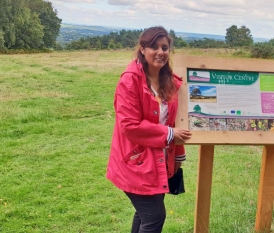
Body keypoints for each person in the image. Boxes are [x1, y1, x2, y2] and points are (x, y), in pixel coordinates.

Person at [106, 26, 192, 233]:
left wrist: (178, 156)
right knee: (154, 217)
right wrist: (169, 134)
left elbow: (176, 122)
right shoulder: (129, 81)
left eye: (165, 47)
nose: (160, 52)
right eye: (154, 46)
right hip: (135, 162)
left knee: (144, 215)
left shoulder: (170, 82)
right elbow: (129, 125)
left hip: (160, 161)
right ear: (142, 49)